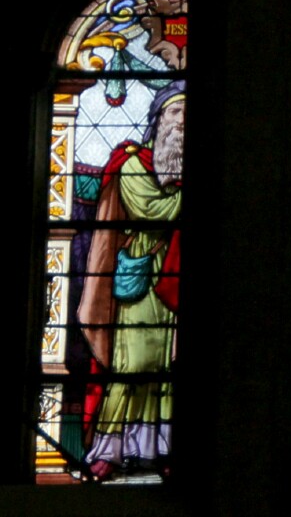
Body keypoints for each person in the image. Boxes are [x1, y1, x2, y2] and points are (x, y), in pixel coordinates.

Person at [77, 80, 186, 481]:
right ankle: (110, 448)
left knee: (166, 366)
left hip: (173, 280)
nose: (182, 123)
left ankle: (162, 448)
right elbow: (152, 209)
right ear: (158, 120)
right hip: (140, 277)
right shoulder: (133, 164)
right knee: (134, 363)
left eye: (188, 115)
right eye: (175, 113)